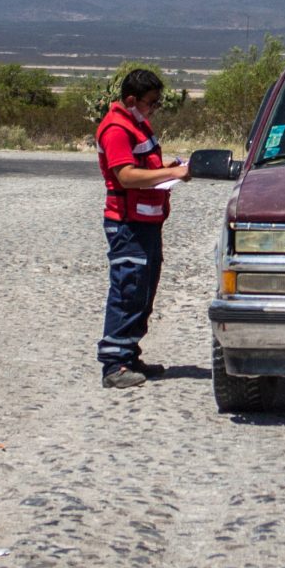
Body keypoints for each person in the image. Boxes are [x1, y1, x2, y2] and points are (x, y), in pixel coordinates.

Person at [95, 67, 187, 389]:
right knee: (128, 289)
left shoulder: (138, 124)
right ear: (132, 99)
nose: (154, 108)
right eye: (151, 103)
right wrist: (172, 175)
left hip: (146, 221)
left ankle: (129, 353)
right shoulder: (117, 129)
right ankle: (114, 364)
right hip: (127, 224)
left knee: (144, 290)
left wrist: (169, 168)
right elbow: (127, 176)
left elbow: (146, 167)